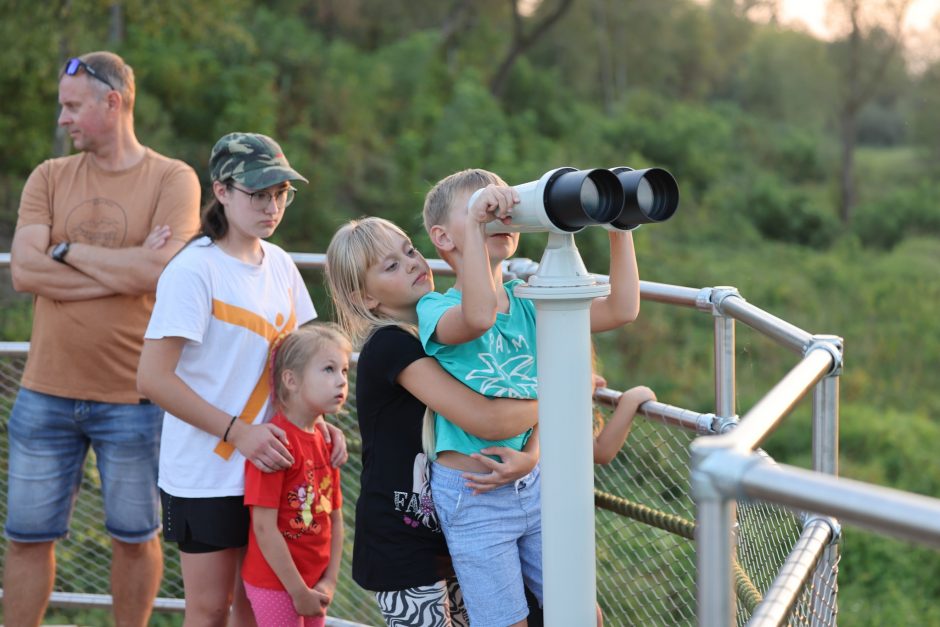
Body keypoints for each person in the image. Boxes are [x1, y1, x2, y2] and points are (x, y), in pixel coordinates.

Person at [4, 51, 201, 627]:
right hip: (44, 392)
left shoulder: (173, 178)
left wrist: (66, 252)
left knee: (135, 539)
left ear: (111, 103)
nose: (62, 119)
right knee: (25, 539)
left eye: (72, 106)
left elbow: (159, 275)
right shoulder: (49, 176)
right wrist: (128, 265)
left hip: (135, 397)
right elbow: (23, 274)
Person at [137, 132, 345, 627]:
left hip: (274, 469)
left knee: (255, 607)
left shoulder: (280, 266)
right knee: (211, 610)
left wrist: (319, 425)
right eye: (258, 193)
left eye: (280, 194)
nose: (271, 206)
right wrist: (238, 431)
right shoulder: (194, 270)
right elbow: (152, 378)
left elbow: (298, 368)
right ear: (222, 192)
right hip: (209, 473)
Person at [417, 168, 642, 627]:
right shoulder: (435, 308)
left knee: (583, 613)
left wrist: (620, 225)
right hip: (473, 494)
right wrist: (480, 228)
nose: (499, 213)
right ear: (442, 237)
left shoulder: (527, 300)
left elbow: (622, 308)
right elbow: (478, 316)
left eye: (503, 206)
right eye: (481, 206)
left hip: (531, 479)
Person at [325, 216, 540, 626]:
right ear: (365, 296)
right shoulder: (390, 344)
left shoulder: (441, 327)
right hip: (402, 537)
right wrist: (565, 394)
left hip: (456, 523)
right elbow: (486, 419)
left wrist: (531, 453)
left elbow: (515, 395)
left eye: (409, 250)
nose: (411, 263)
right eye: (390, 266)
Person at [242, 324, 350, 626]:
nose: (341, 381)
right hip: (277, 584)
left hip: (314, 584)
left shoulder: (327, 441)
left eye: (344, 371)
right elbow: (264, 528)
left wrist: (329, 580)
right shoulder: (274, 445)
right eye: (328, 369)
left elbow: (334, 517)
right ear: (291, 379)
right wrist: (296, 590)